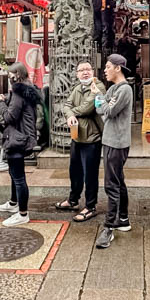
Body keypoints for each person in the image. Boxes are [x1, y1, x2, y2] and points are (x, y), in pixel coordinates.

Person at [93, 54, 134, 249]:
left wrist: (99, 98)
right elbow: (101, 109)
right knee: (118, 180)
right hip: (111, 139)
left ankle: (109, 227)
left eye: (108, 67)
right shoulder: (112, 89)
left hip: (116, 142)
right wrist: (102, 101)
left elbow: (108, 111)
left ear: (118, 68)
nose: (105, 70)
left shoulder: (124, 90)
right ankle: (123, 219)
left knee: (111, 184)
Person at [57, 61, 106, 222]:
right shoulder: (78, 88)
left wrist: (72, 113)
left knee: (90, 174)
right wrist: (70, 114)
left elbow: (87, 108)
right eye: (81, 70)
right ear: (77, 74)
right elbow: (66, 105)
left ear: (93, 71)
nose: (85, 72)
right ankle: (73, 200)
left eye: (88, 69)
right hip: (77, 136)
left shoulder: (97, 87)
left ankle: (90, 206)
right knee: (75, 171)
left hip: (92, 138)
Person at [0, 63, 41, 226]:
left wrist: (0, 102)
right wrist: (5, 99)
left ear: (17, 75)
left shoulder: (19, 91)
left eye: (10, 75)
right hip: (23, 136)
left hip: (18, 138)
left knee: (18, 177)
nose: (9, 78)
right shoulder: (27, 89)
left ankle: (22, 213)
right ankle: (14, 203)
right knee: (14, 174)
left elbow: (10, 117)